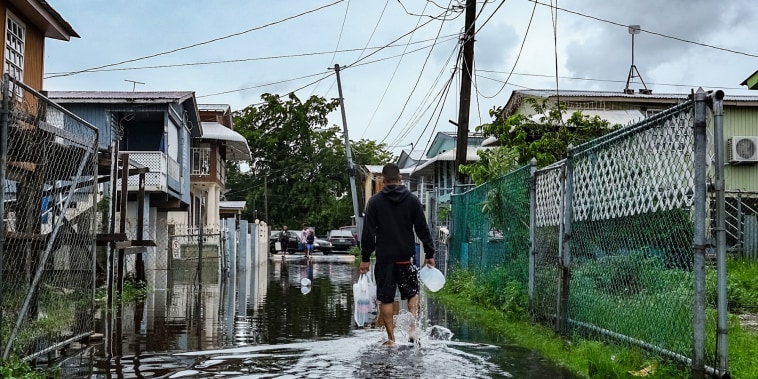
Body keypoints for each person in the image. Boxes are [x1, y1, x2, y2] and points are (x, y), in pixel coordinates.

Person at [359, 163, 435, 346]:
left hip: (385, 257)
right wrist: (430, 252)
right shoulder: (412, 200)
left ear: (383, 180)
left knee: (386, 297)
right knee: (412, 292)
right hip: (405, 256)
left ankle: (391, 339)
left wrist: (365, 258)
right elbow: (422, 228)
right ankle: (412, 331)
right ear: (400, 178)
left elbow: (368, 232)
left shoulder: (375, 202)